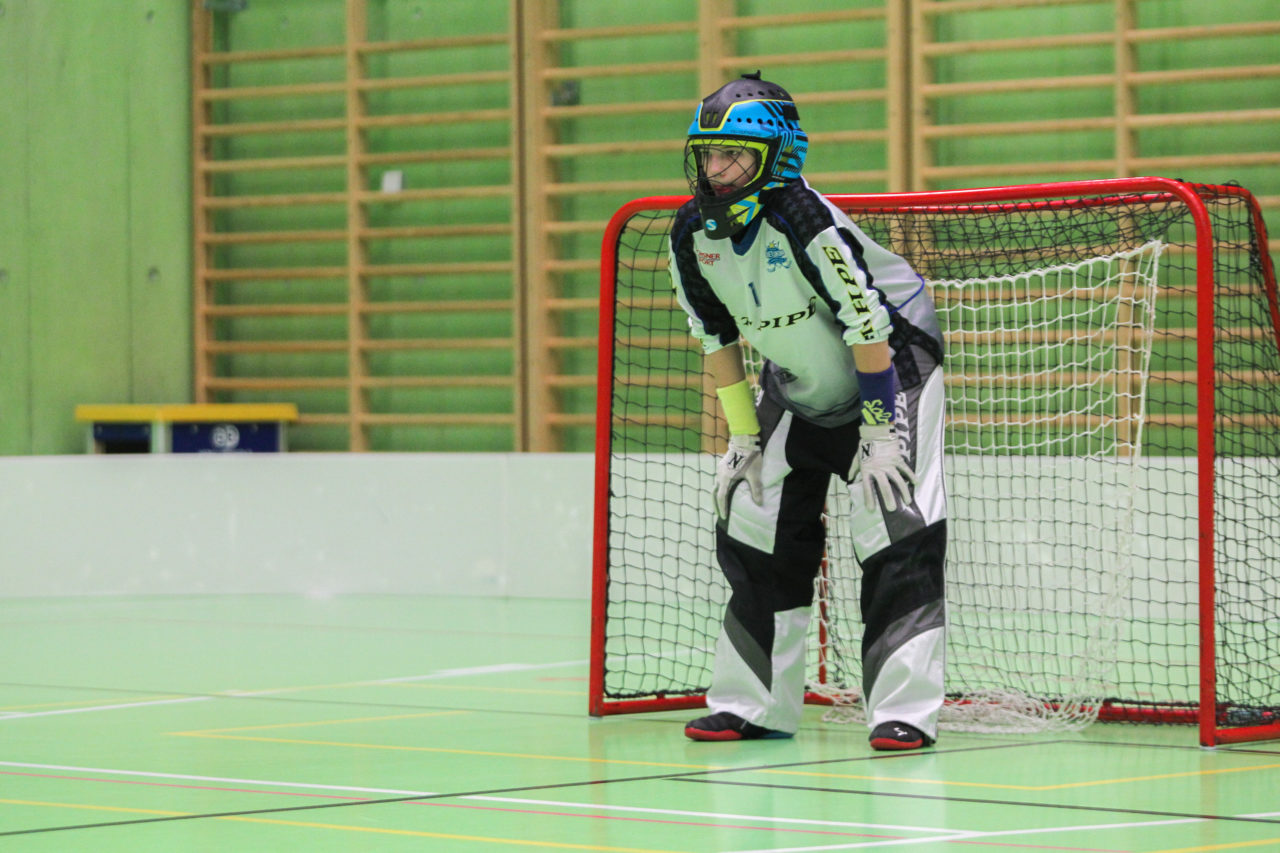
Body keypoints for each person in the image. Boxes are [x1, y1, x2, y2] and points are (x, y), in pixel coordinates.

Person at [668, 72, 948, 751]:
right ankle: (753, 703)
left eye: (735, 155)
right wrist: (741, 435)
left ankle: (903, 710)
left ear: (777, 157)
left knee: (893, 524)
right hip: (795, 380)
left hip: (890, 364)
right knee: (753, 519)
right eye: (709, 154)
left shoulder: (803, 218)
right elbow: (717, 338)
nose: (718, 170)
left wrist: (881, 435)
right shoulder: (690, 232)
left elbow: (867, 324)